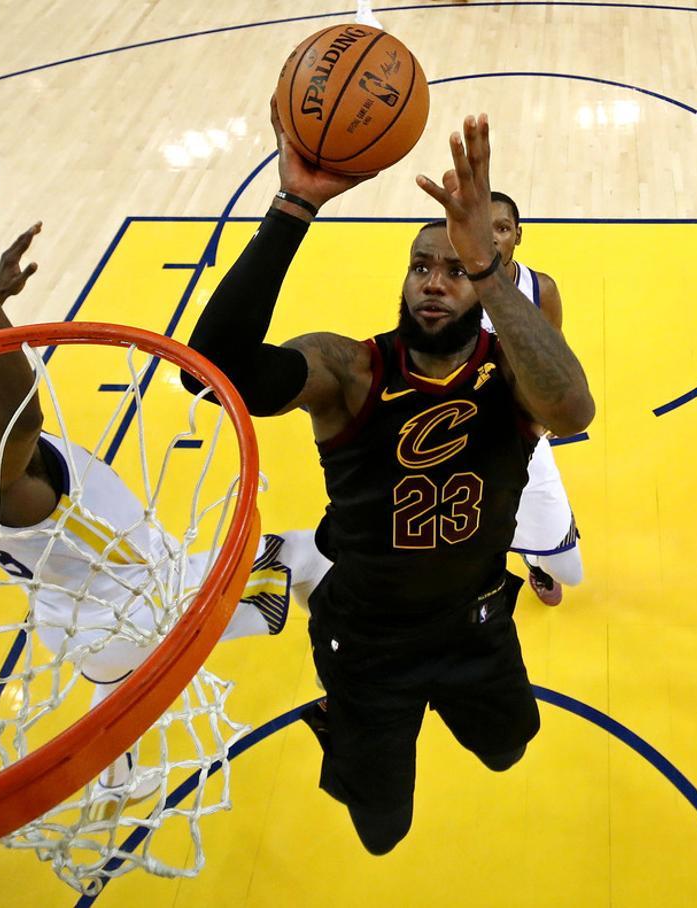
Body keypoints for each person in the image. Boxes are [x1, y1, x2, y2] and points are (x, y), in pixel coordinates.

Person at [0, 137, 329, 795]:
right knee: (308, 554)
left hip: (74, 616)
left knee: (115, 685)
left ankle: (116, 781)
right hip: (144, 603)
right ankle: (353, 691)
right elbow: (14, 405)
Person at [183, 106, 594, 853]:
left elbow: (573, 410)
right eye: (421, 266)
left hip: (475, 625)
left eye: (453, 268)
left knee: (509, 747)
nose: (435, 282)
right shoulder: (351, 370)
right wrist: (294, 205)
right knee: (382, 830)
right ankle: (333, 688)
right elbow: (209, 377)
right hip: (367, 644)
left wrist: (490, 271)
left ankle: (304, 556)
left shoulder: (510, 379)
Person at [486, 190, 583, 605]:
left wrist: (550, 412)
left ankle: (537, 555)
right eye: (481, 229)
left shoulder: (541, 289)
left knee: (570, 572)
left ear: (518, 235)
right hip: (464, 430)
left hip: (523, 430)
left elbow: (554, 358)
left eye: (502, 228)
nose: (491, 239)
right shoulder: (445, 290)